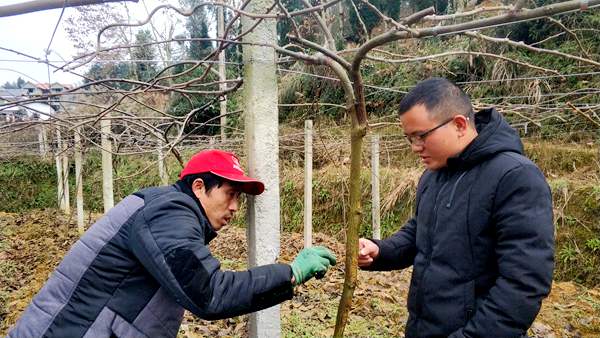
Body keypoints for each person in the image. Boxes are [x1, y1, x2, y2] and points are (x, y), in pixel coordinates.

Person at [8, 149, 336, 338]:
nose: (235, 207)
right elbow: (210, 293)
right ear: (198, 187)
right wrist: (290, 273)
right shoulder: (166, 213)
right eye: (230, 194)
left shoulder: (168, 212)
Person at [358, 77, 554, 338]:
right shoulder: (435, 174)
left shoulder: (515, 177)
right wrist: (381, 251)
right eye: (409, 138)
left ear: (459, 124)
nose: (416, 148)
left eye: (421, 136)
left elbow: (522, 285)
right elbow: (420, 232)